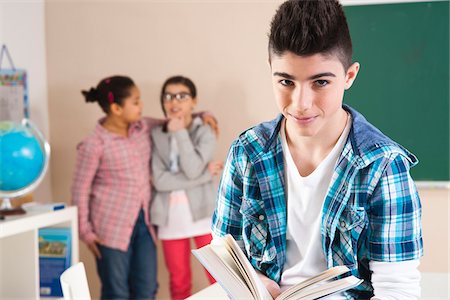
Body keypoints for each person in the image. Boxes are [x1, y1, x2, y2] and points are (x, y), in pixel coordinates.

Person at [211, 1, 423, 299]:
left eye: (320, 82)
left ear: (349, 76)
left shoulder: (382, 165)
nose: (300, 103)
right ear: (271, 72)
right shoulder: (247, 152)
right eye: (286, 81)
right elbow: (224, 250)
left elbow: (397, 290)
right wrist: (257, 281)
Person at [72, 75, 217, 300]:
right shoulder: (94, 144)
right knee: (117, 291)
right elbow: (79, 190)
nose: (142, 106)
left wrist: (202, 115)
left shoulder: (142, 127)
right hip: (111, 228)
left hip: (145, 223)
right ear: (117, 108)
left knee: (147, 289)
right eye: (136, 102)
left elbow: (177, 118)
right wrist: (86, 232)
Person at [150, 76, 221, 300]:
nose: (174, 101)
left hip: (202, 213)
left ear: (194, 101)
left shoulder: (205, 132)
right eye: (169, 96)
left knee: (218, 277)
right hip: (170, 218)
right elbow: (160, 181)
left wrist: (180, 132)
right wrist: (203, 176)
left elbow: (191, 169)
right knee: (179, 281)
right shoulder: (156, 134)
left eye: (182, 96)